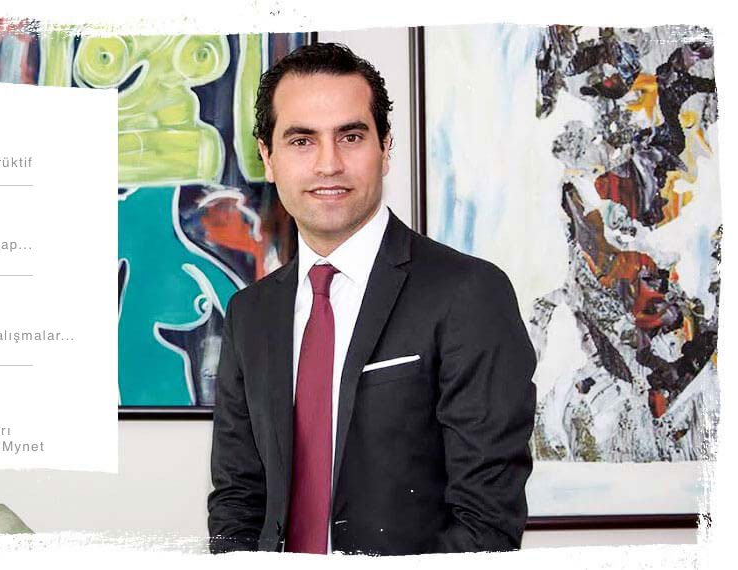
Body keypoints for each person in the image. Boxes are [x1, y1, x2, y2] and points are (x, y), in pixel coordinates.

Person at [207, 42, 537, 556]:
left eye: (351, 136)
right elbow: (237, 498)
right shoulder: (250, 313)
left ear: (385, 148)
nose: (329, 163)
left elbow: (486, 521)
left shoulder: (469, 293)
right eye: (302, 140)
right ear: (268, 158)